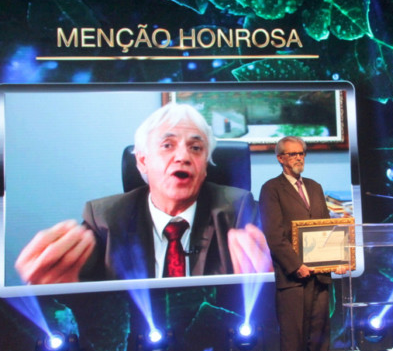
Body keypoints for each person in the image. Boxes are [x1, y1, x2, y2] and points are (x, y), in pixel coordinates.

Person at [15, 102, 272, 284]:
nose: (183, 156)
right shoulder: (104, 218)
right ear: (142, 161)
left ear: (205, 166)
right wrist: (53, 290)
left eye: (195, 148)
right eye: (167, 145)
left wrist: (273, 281)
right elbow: (76, 295)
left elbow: (271, 286)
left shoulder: (239, 209)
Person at [259, 136, 336, 351]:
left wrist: (338, 258)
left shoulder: (315, 187)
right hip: (293, 279)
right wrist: (296, 266)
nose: (299, 158)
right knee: (294, 341)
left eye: (302, 153)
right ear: (281, 159)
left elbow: (326, 228)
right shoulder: (271, 189)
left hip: (320, 277)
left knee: (319, 339)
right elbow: (274, 235)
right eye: (293, 154)